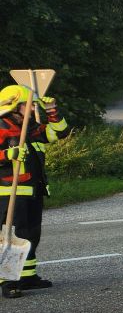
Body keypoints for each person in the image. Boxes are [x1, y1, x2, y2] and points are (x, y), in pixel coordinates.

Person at [0, 85, 69, 299]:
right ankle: (8, 281)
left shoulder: (31, 128)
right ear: (14, 106)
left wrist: (52, 110)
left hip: (33, 191)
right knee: (12, 238)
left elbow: (60, 132)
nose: (31, 108)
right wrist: (7, 154)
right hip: (9, 193)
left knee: (31, 235)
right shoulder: (2, 127)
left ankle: (27, 277)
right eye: (27, 105)